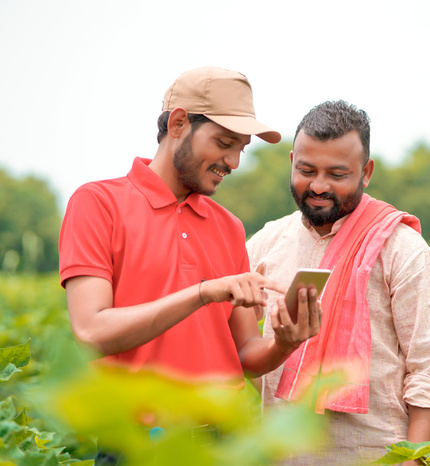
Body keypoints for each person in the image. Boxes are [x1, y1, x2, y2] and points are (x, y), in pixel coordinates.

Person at [59, 67, 321, 462]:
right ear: (179, 123)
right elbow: (91, 330)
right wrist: (201, 293)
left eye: (241, 148)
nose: (232, 161)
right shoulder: (98, 204)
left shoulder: (228, 227)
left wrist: (285, 342)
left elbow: (247, 353)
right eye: (223, 142)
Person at [246, 100, 430, 465]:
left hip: (375, 453)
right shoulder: (265, 244)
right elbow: (239, 349)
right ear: (292, 161)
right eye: (306, 170)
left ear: (366, 172)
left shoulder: (399, 248)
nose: (318, 185)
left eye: (337, 174)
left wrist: (415, 458)